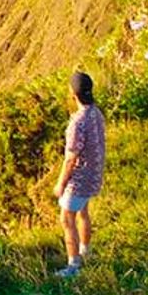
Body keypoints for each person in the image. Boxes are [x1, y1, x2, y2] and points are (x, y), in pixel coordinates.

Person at [52, 71, 106, 278]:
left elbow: (70, 159)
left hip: (80, 179)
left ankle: (73, 267)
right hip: (94, 174)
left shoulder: (77, 122)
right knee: (83, 211)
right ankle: (85, 250)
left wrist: (60, 184)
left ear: (73, 93)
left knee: (66, 219)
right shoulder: (96, 113)